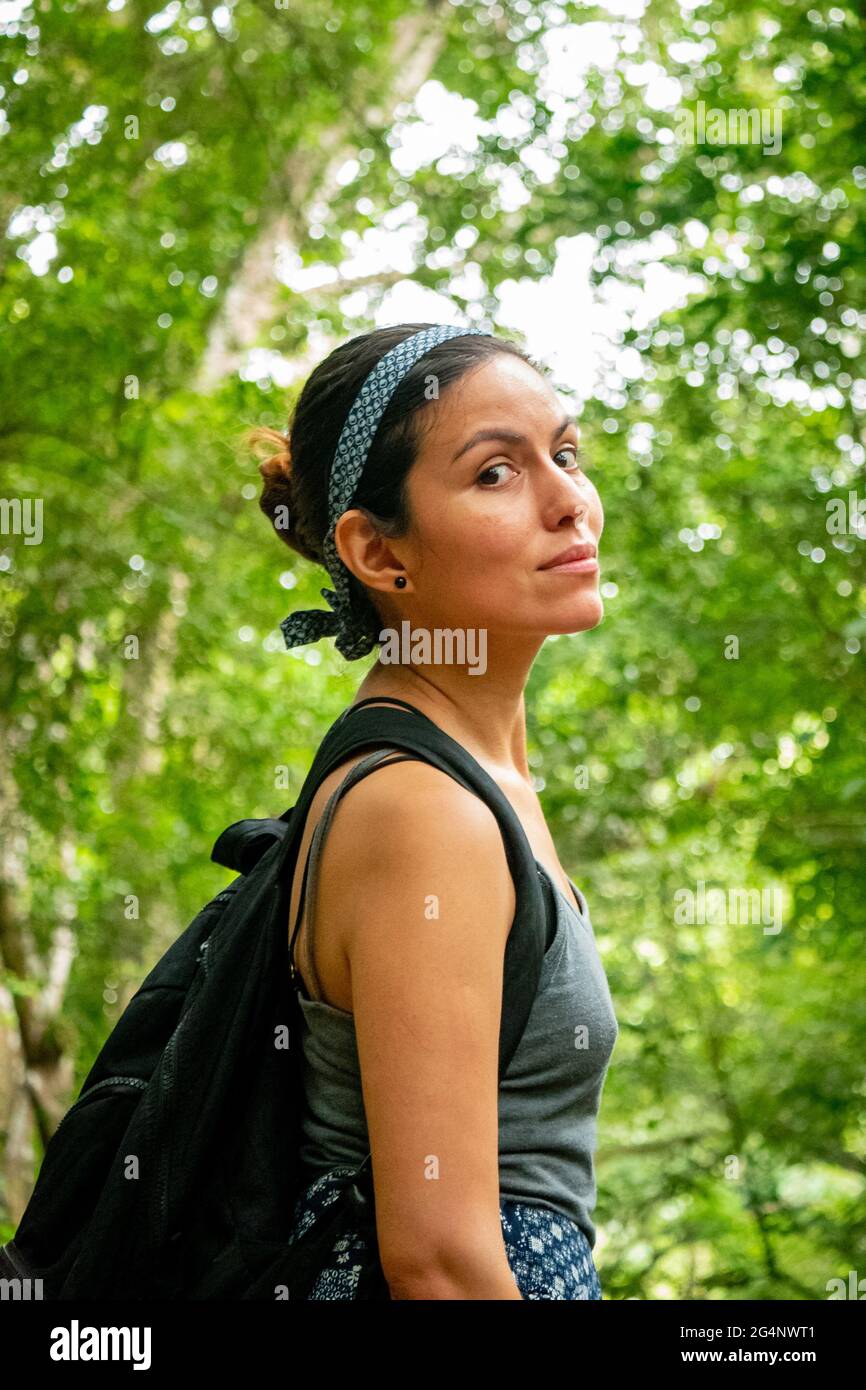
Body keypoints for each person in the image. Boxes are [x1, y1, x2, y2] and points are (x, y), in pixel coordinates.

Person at [246, 322, 619, 1299]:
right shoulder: (424, 811)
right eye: (495, 472)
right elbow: (441, 1266)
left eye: (564, 453)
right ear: (377, 550)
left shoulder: (472, 782)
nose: (566, 500)